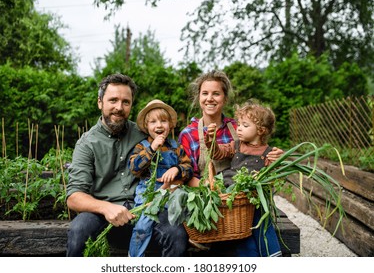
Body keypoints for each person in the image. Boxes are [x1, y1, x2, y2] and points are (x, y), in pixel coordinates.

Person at [66, 74, 188, 257]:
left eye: (125, 102)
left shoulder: (143, 134)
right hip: (103, 214)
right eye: (113, 100)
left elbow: (175, 156)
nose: (119, 107)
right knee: (78, 230)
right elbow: (74, 197)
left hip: (147, 207)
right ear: (100, 102)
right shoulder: (87, 144)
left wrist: (176, 175)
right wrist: (106, 208)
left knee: (176, 234)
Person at [178, 70, 283, 255]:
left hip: (241, 206)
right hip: (209, 203)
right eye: (205, 93)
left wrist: (274, 157)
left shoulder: (239, 127)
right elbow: (186, 176)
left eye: (216, 93)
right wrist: (210, 189)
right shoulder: (189, 133)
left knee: (248, 238)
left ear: (224, 98)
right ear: (199, 97)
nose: (210, 98)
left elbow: (259, 151)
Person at [204, 100, 282, 257]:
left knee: (262, 223)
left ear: (260, 130)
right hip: (234, 196)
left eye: (245, 125)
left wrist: (278, 161)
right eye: (239, 124)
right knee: (241, 232)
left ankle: (272, 254)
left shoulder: (267, 152)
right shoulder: (237, 145)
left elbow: (274, 177)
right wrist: (211, 140)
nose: (239, 128)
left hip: (254, 199)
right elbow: (217, 153)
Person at [128, 99, 193, 257]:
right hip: (148, 196)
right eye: (153, 122)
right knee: (143, 225)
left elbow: (189, 169)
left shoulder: (176, 147)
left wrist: (177, 169)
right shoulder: (142, 146)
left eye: (163, 121)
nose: (159, 125)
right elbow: (134, 168)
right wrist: (151, 149)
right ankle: (134, 257)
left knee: (181, 218)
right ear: (146, 126)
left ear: (170, 125)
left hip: (170, 194)